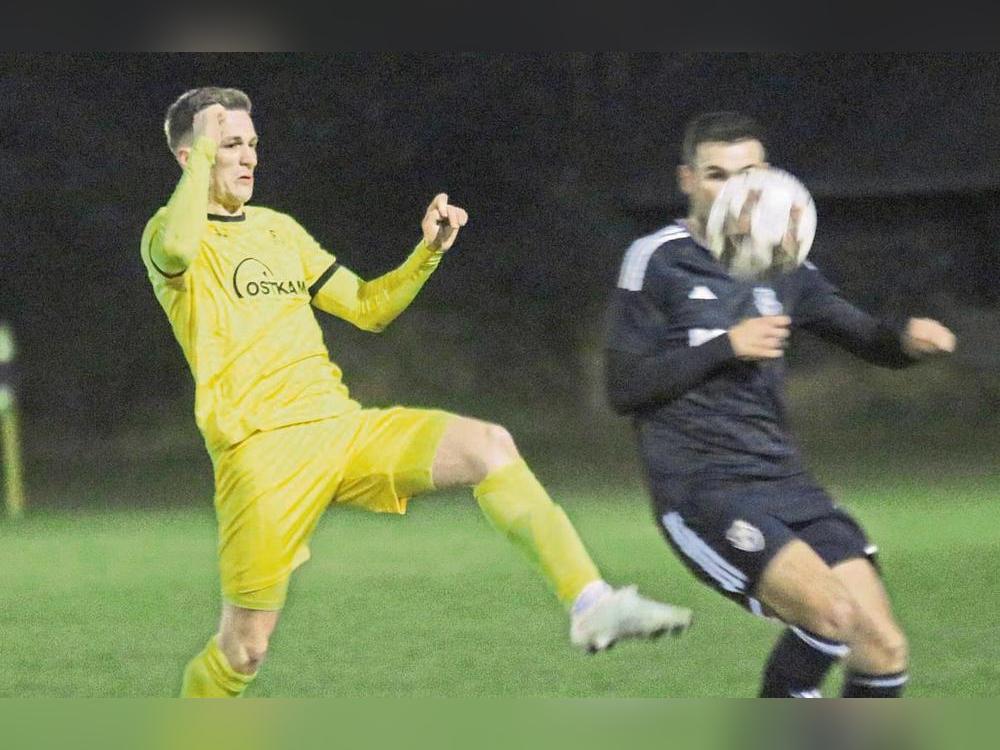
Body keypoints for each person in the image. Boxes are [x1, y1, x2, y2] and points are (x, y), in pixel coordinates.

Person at [141, 87, 691, 698]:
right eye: (228, 145)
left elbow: (369, 308)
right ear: (190, 158)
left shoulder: (279, 231)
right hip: (260, 457)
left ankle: (590, 602)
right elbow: (177, 248)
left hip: (341, 429)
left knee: (489, 445)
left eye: (250, 144)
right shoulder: (168, 232)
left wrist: (425, 254)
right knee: (244, 652)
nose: (246, 157)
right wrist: (202, 152)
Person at [605, 111, 956, 698]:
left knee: (882, 649)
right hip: (703, 489)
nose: (735, 190)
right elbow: (624, 389)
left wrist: (908, 344)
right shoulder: (658, 260)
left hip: (786, 483)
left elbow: (866, 337)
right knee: (830, 618)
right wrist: (726, 346)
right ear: (687, 180)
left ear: (768, 178)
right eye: (717, 175)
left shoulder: (784, 264)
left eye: (748, 174)